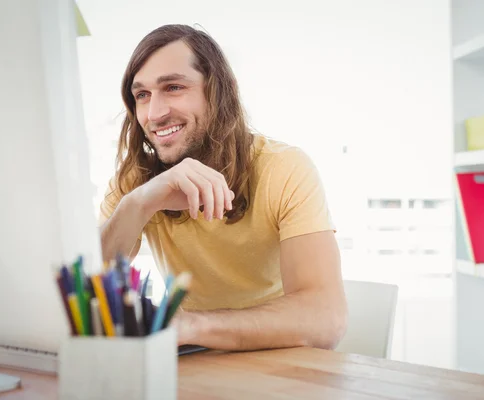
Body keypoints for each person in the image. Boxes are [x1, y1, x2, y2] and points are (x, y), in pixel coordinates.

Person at [99, 24, 347, 351]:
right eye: (142, 95)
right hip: (194, 362)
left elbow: (325, 317)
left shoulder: (284, 168)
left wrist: (190, 326)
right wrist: (140, 203)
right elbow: (82, 287)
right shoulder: (136, 180)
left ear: (218, 92)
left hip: (276, 355)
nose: (154, 113)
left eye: (173, 87)